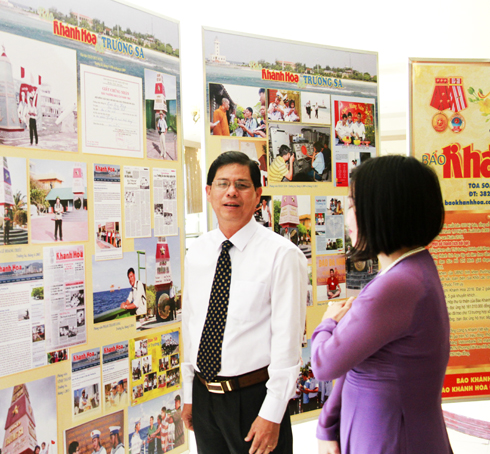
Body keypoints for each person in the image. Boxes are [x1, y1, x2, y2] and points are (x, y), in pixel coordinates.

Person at [311, 155, 452, 454]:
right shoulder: (410, 269)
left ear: (383, 210)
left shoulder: (397, 286)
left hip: (390, 438)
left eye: (351, 205)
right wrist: (327, 425)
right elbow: (353, 362)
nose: (347, 218)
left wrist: (328, 322)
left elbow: (324, 364)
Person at [182, 151, 307, 454]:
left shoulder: (282, 255)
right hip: (204, 397)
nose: (231, 192)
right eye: (223, 184)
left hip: (253, 399)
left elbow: (288, 343)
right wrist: (189, 394)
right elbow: (191, 326)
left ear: (258, 195)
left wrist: (272, 413)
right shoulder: (197, 251)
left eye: (242, 184)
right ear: (209, 193)